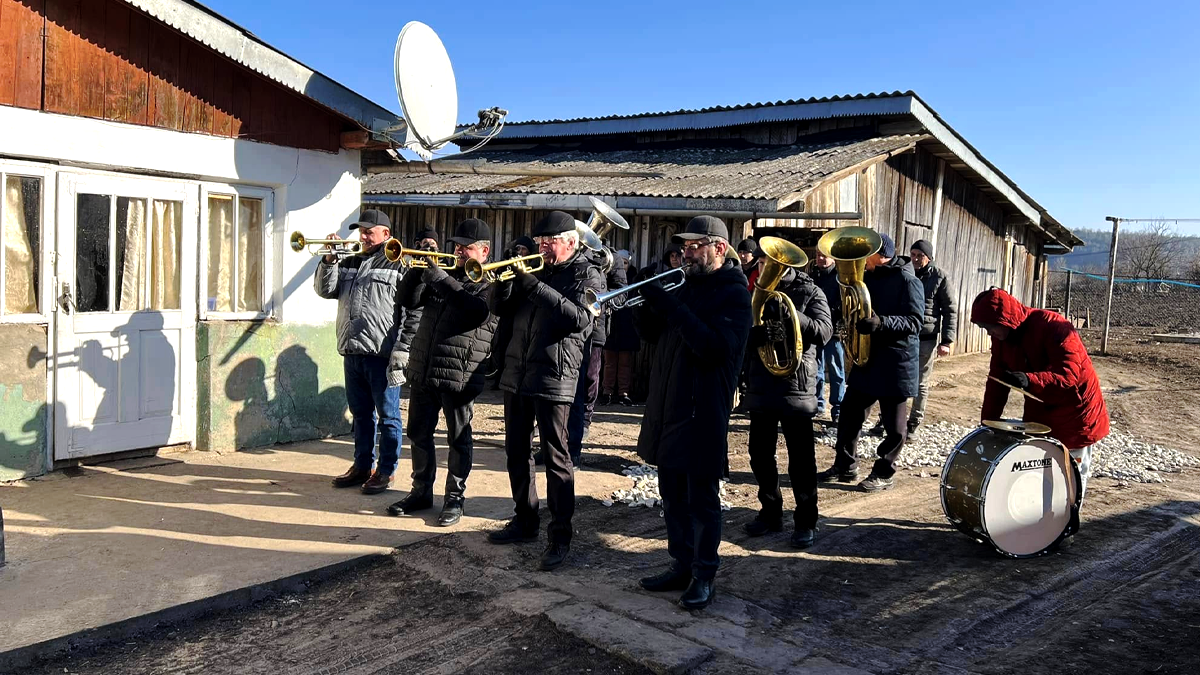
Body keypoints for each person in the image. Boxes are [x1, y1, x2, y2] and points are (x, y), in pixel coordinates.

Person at [635, 215, 752, 610]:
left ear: (718, 248)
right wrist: (646, 304)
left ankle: (704, 574)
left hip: (702, 410)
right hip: (669, 405)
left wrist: (668, 304)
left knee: (701, 500)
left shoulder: (734, 293)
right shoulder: (685, 285)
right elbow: (653, 336)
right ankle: (681, 563)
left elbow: (715, 348)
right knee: (671, 495)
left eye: (694, 246)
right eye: (683, 247)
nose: (685, 253)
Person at [486, 212, 603, 571]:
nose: (542, 249)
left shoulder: (587, 273)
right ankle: (525, 520)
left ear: (570, 241)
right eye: (539, 243)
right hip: (518, 373)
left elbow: (581, 319)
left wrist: (534, 287)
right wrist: (505, 284)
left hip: (555, 377)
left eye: (548, 243)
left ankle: (560, 536)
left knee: (556, 459)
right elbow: (497, 309)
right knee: (516, 452)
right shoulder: (536, 270)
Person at [970, 287, 1109, 536]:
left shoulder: (1054, 326)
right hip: (1041, 406)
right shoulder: (1001, 339)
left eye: (990, 327)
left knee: (1070, 472)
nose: (989, 333)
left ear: (1005, 320)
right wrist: (988, 422)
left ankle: (1064, 526)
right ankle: (1041, 523)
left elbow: (1069, 375)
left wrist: (1029, 380)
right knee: (1040, 465)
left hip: (1075, 410)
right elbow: (996, 382)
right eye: (984, 329)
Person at [387, 218, 499, 526]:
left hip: (459, 376)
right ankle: (421, 491)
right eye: (457, 247)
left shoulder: (492, 283)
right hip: (425, 369)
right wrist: (415, 272)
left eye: (467, 247)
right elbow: (407, 300)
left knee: (457, 438)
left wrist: (440, 279)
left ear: (484, 251)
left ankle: (455, 498)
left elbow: (475, 312)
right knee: (418, 433)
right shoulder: (444, 275)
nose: (460, 253)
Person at [314, 209, 416, 495]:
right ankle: (362, 465)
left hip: (382, 352)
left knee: (388, 416)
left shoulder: (400, 262)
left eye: (369, 231)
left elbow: (411, 311)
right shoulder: (350, 260)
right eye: (361, 230)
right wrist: (329, 259)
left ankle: (386, 470)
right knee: (360, 414)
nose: (363, 236)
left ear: (386, 234)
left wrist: (403, 348)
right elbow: (325, 290)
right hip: (352, 349)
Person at [816, 233, 922, 492]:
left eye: (867, 254)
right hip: (867, 360)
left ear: (881, 255)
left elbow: (915, 322)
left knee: (895, 428)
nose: (861, 259)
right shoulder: (867, 276)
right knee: (849, 416)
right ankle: (845, 465)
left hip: (896, 362)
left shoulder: (908, 280)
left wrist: (882, 322)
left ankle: (885, 472)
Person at [742, 260, 832, 548]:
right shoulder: (757, 291)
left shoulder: (810, 291)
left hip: (796, 386)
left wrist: (794, 317)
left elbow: (824, 331)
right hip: (762, 383)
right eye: (764, 260)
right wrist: (754, 335)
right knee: (759, 453)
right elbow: (742, 332)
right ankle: (770, 512)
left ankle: (806, 520)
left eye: (772, 260)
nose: (766, 264)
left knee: (802, 461)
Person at [905, 239, 957, 439]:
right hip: (904, 335)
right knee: (895, 378)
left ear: (929, 258)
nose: (916, 259)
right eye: (913, 255)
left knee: (920, 382)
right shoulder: (905, 272)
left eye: (920, 256)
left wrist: (946, 341)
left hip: (926, 337)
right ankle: (889, 419)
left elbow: (950, 310)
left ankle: (914, 422)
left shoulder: (939, 277)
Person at [490, 236, 536, 389]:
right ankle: (499, 378)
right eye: (518, 249)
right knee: (503, 346)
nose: (520, 252)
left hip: (523, 313)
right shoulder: (509, 263)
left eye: (524, 249)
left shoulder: (534, 268)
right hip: (508, 313)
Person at [810, 248, 846, 423]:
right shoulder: (813, 275)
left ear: (833, 258)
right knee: (816, 370)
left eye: (824, 255)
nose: (821, 259)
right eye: (818, 255)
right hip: (816, 330)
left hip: (834, 331)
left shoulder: (840, 278)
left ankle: (838, 409)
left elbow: (844, 304)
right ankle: (818, 404)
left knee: (836, 371)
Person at [600, 251, 637, 406]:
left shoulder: (635, 280)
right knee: (609, 362)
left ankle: (623, 393)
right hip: (611, 325)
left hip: (628, 327)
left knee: (625, 363)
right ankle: (606, 392)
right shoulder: (610, 278)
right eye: (620, 263)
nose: (623, 266)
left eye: (626, 263)